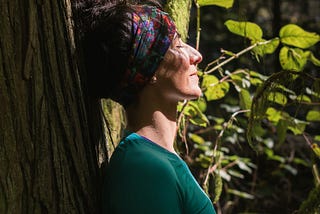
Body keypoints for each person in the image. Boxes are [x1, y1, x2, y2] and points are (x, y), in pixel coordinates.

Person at [81, 0, 216, 213]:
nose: (196, 56)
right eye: (178, 45)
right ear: (150, 68)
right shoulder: (143, 167)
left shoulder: (153, 158)